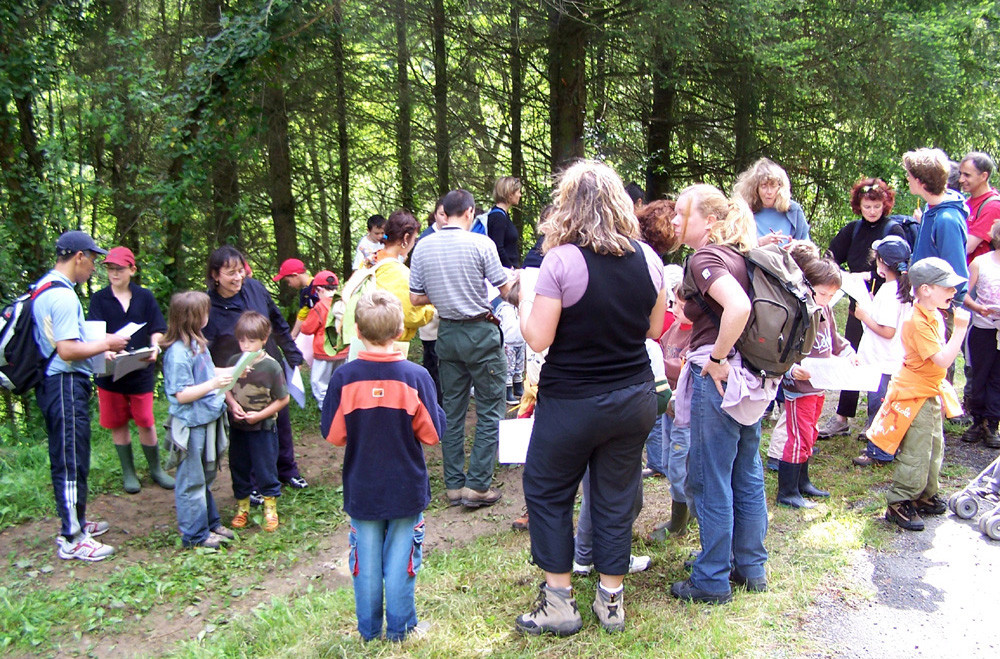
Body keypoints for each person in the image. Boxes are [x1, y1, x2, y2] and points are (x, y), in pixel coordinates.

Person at [514, 160, 666, 636]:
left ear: (567, 207)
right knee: (616, 495)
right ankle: (611, 600)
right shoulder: (649, 258)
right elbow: (654, 329)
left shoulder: (560, 261)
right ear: (621, 204)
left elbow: (537, 338)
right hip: (634, 396)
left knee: (547, 489)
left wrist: (523, 297)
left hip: (574, 402)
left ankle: (559, 601)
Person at [320, 290, 445, 642]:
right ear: (401, 330)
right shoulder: (416, 376)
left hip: (363, 486)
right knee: (402, 562)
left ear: (356, 331)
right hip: (406, 486)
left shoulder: (344, 378)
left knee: (366, 565)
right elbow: (433, 434)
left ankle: (369, 631)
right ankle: (402, 629)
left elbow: (333, 434)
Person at [668, 184, 770, 604]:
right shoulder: (739, 255)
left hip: (722, 375)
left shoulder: (705, 258)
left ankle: (710, 579)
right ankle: (750, 567)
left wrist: (717, 358)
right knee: (745, 471)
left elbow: (740, 308)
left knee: (711, 479)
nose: (674, 220)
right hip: (753, 376)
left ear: (709, 220)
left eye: (681, 213)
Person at [409, 189, 511, 509]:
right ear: (469, 212)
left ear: (444, 213)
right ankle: (477, 484)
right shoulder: (481, 243)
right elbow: (505, 289)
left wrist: (443, 294)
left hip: (447, 333)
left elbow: (415, 298)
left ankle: (454, 485)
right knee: (490, 407)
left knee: (452, 410)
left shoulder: (423, 246)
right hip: (480, 332)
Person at [33, 231, 129, 562]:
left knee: (72, 456)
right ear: (79, 257)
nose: (95, 268)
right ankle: (72, 538)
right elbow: (67, 349)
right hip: (62, 386)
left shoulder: (45, 287)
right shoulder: (61, 296)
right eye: (93, 259)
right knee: (71, 460)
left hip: (57, 382)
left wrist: (99, 353)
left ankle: (77, 521)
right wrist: (107, 344)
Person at [866, 258, 969, 531]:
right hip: (914, 393)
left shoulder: (933, 314)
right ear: (925, 289)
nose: (953, 292)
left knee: (935, 445)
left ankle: (925, 494)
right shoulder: (916, 321)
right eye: (946, 287)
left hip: (930, 390)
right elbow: (943, 360)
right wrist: (960, 329)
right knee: (917, 450)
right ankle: (900, 500)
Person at [203, 246, 308, 494]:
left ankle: (287, 470)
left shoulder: (254, 288)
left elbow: (277, 320)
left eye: (240, 270)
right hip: (238, 380)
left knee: (279, 422)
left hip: (269, 368)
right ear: (215, 275)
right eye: (230, 273)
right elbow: (204, 351)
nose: (238, 277)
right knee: (247, 431)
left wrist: (292, 353)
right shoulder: (208, 307)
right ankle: (251, 484)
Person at [820, 178, 907, 438]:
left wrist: (870, 277)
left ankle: (878, 419)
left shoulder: (893, 229)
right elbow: (830, 256)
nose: (872, 211)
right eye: (867, 206)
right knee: (853, 356)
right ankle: (842, 417)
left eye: (877, 205)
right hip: (858, 303)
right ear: (859, 205)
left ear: (885, 205)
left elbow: (900, 266)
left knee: (881, 360)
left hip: (884, 302)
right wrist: (845, 276)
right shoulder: (853, 229)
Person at [773, 243, 853, 508]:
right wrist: (792, 369)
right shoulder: (797, 309)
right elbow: (781, 346)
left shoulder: (825, 307)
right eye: (823, 293)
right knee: (797, 435)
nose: (827, 299)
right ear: (807, 285)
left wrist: (847, 352)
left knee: (810, 433)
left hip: (820, 382)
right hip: (800, 385)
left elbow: (833, 337)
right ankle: (787, 491)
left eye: (832, 295)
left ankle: (803, 482)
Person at [86, 246, 171, 494]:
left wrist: (155, 346)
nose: (114, 273)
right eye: (110, 269)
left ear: (132, 270)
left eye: (119, 269)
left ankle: (156, 469)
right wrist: (106, 348)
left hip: (141, 368)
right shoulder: (99, 299)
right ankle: (129, 472)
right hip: (110, 373)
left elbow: (157, 327)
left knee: (146, 420)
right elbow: (94, 332)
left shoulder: (145, 297)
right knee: (117, 422)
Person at [161, 291, 235, 549]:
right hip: (191, 424)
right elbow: (181, 394)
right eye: (204, 311)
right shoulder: (177, 353)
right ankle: (194, 535)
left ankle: (210, 523)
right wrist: (215, 383)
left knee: (206, 474)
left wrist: (232, 371)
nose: (208, 315)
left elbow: (206, 372)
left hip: (208, 417)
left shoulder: (198, 345)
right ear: (193, 317)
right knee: (191, 479)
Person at [225, 311, 290, 533]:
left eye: (251, 341)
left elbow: (283, 399)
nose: (245, 346)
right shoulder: (234, 362)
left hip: (263, 427)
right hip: (238, 427)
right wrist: (233, 406)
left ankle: (270, 508)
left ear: (264, 339)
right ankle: (242, 507)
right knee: (238, 465)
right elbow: (227, 389)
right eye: (242, 340)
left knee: (265, 467)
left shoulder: (271, 366)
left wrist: (260, 415)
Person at [852, 236, 914, 467]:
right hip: (894, 358)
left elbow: (888, 330)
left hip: (882, 359)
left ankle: (878, 451)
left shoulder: (890, 290)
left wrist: (863, 316)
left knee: (879, 407)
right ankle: (889, 446)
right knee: (889, 405)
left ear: (880, 261)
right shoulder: (904, 287)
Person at [649, 279, 694, 542]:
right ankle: (688, 509)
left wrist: (655, 361)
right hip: (669, 411)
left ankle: (679, 522)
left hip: (685, 412)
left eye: (680, 304)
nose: (674, 309)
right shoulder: (675, 328)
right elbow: (660, 345)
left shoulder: (697, 334)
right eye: (674, 303)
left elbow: (681, 367)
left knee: (679, 466)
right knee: (668, 462)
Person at [905, 148, 969, 297]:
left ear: (920, 182)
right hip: (925, 300)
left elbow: (957, 273)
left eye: (909, 175)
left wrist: (949, 309)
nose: (908, 179)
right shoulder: (930, 208)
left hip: (941, 307)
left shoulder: (947, 220)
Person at [960, 222, 1000, 449]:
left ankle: (992, 423)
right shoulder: (980, 262)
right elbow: (963, 293)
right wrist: (978, 308)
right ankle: (977, 420)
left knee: (998, 376)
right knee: (979, 374)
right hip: (983, 326)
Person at [368, 210, 435, 341]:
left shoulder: (370, 260)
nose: (414, 243)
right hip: (388, 342)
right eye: (414, 239)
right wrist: (431, 308)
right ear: (405, 238)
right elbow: (411, 315)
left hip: (365, 337)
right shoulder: (398, 273)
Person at [732, 157, 810, 247]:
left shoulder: (793, 211)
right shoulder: (743, 211)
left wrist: (796, 246)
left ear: (780, 187)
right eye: (764, 186)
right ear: (755, 188)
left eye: (773, 186)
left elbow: (808, 248)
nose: (769, 192)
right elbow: (732, 247)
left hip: (787, 260)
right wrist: (759, 243)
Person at [299, 270, 347, 407]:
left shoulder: (320, 307)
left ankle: (325, 406)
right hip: (343, 349)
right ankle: (341, 404)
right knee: (340, 378)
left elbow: (306, 329)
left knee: (320, 382)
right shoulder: (345, 303)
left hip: (324, 351)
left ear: (319, 289)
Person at [417, 199, 447, 396]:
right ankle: (432, 399)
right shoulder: (425, 240)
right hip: (430, 306)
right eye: (442, 214)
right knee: (432, 357)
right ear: (435, 214)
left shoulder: (459, 236)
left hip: (450, 309)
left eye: (448, 214)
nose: (445, 219)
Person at [958, 152, 1000, 264]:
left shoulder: (992, 206)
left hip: (978, 278)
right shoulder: (967, 203)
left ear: (984, 176)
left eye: (967, 175)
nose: (961, 179)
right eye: (960, 174)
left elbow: (968, 247)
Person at [494, 278, 525, 405]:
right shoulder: (504, 308)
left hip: (520, 341)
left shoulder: (523, 307)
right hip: (509, 343)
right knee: (509, 367)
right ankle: (507, 391)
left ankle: (518, 387)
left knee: (519, 366)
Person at [272, 258, 314, 340]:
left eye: (288, 281)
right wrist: (293, 335)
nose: (289, 285)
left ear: (295, 275)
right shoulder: (304, 291)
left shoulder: (317, 286)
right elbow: (302, 314)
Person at [486, 176, 522, 268]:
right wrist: (510, 267)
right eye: (518, 192)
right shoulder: (498, 217)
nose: (520, 195)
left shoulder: (502, 215)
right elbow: (497, 247)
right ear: (510, 194)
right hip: (504, 272)